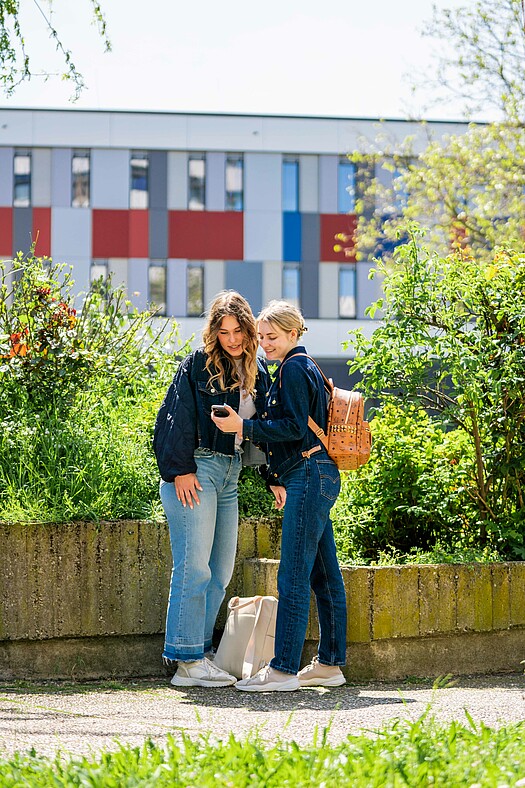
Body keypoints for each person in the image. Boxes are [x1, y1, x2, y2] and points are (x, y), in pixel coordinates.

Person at [212, 300, 347, 692]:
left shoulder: (294, 369)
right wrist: (275, 475)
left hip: (309, 473)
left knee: (293, 576)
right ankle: (330, 665)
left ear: (293, 334)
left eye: (272, 337)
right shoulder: (302, 368)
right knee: (323, 575)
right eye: (263, 337)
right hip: (312, 473)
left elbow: (290, 427)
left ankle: (284, 668)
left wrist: (245, 426)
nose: (265, 344)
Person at [153, 291, 269, 688]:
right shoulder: (198, 366)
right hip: (197, 470)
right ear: (214, 332)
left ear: (249, 330)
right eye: (224, 332)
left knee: (220, 572)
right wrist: (179, 471)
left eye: (238, 330)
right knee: (194, 568)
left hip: (230, 475)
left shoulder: (259, 371)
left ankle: (198, 654)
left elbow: (263, 432)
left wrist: (275, 479)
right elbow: (174, 417)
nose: (232, 339)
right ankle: (186, 663)